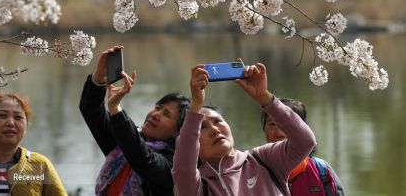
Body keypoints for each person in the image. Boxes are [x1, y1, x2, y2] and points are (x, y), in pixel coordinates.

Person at [172, 62, 317, 196]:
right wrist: (195, 106)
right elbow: (183, 169)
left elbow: (305, 142)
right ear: (191, 143)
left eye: (218, 121)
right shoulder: (195, 186)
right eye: (201, 127)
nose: (215, 130)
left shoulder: (263, 160)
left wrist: (264, 97)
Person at [79, 46, 190, 196]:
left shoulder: (175, 165)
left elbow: (142, 157)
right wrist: (99, 77)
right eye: (158, 107)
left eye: (166, 114)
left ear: (178, 131)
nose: (156, 114)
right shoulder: (124, 144)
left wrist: (116, 109)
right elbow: (91, 111)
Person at [0, 92, 67, 196]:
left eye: (18, 117)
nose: (10, 123)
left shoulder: (40, 166)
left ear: (26, 126)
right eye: (3, 116)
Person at [261, 98, 346, 196]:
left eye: (288, 126)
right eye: (272, 124)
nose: (279, 133)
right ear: (264, 129)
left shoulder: (322, 171)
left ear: (303, 131)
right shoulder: (252, 171)